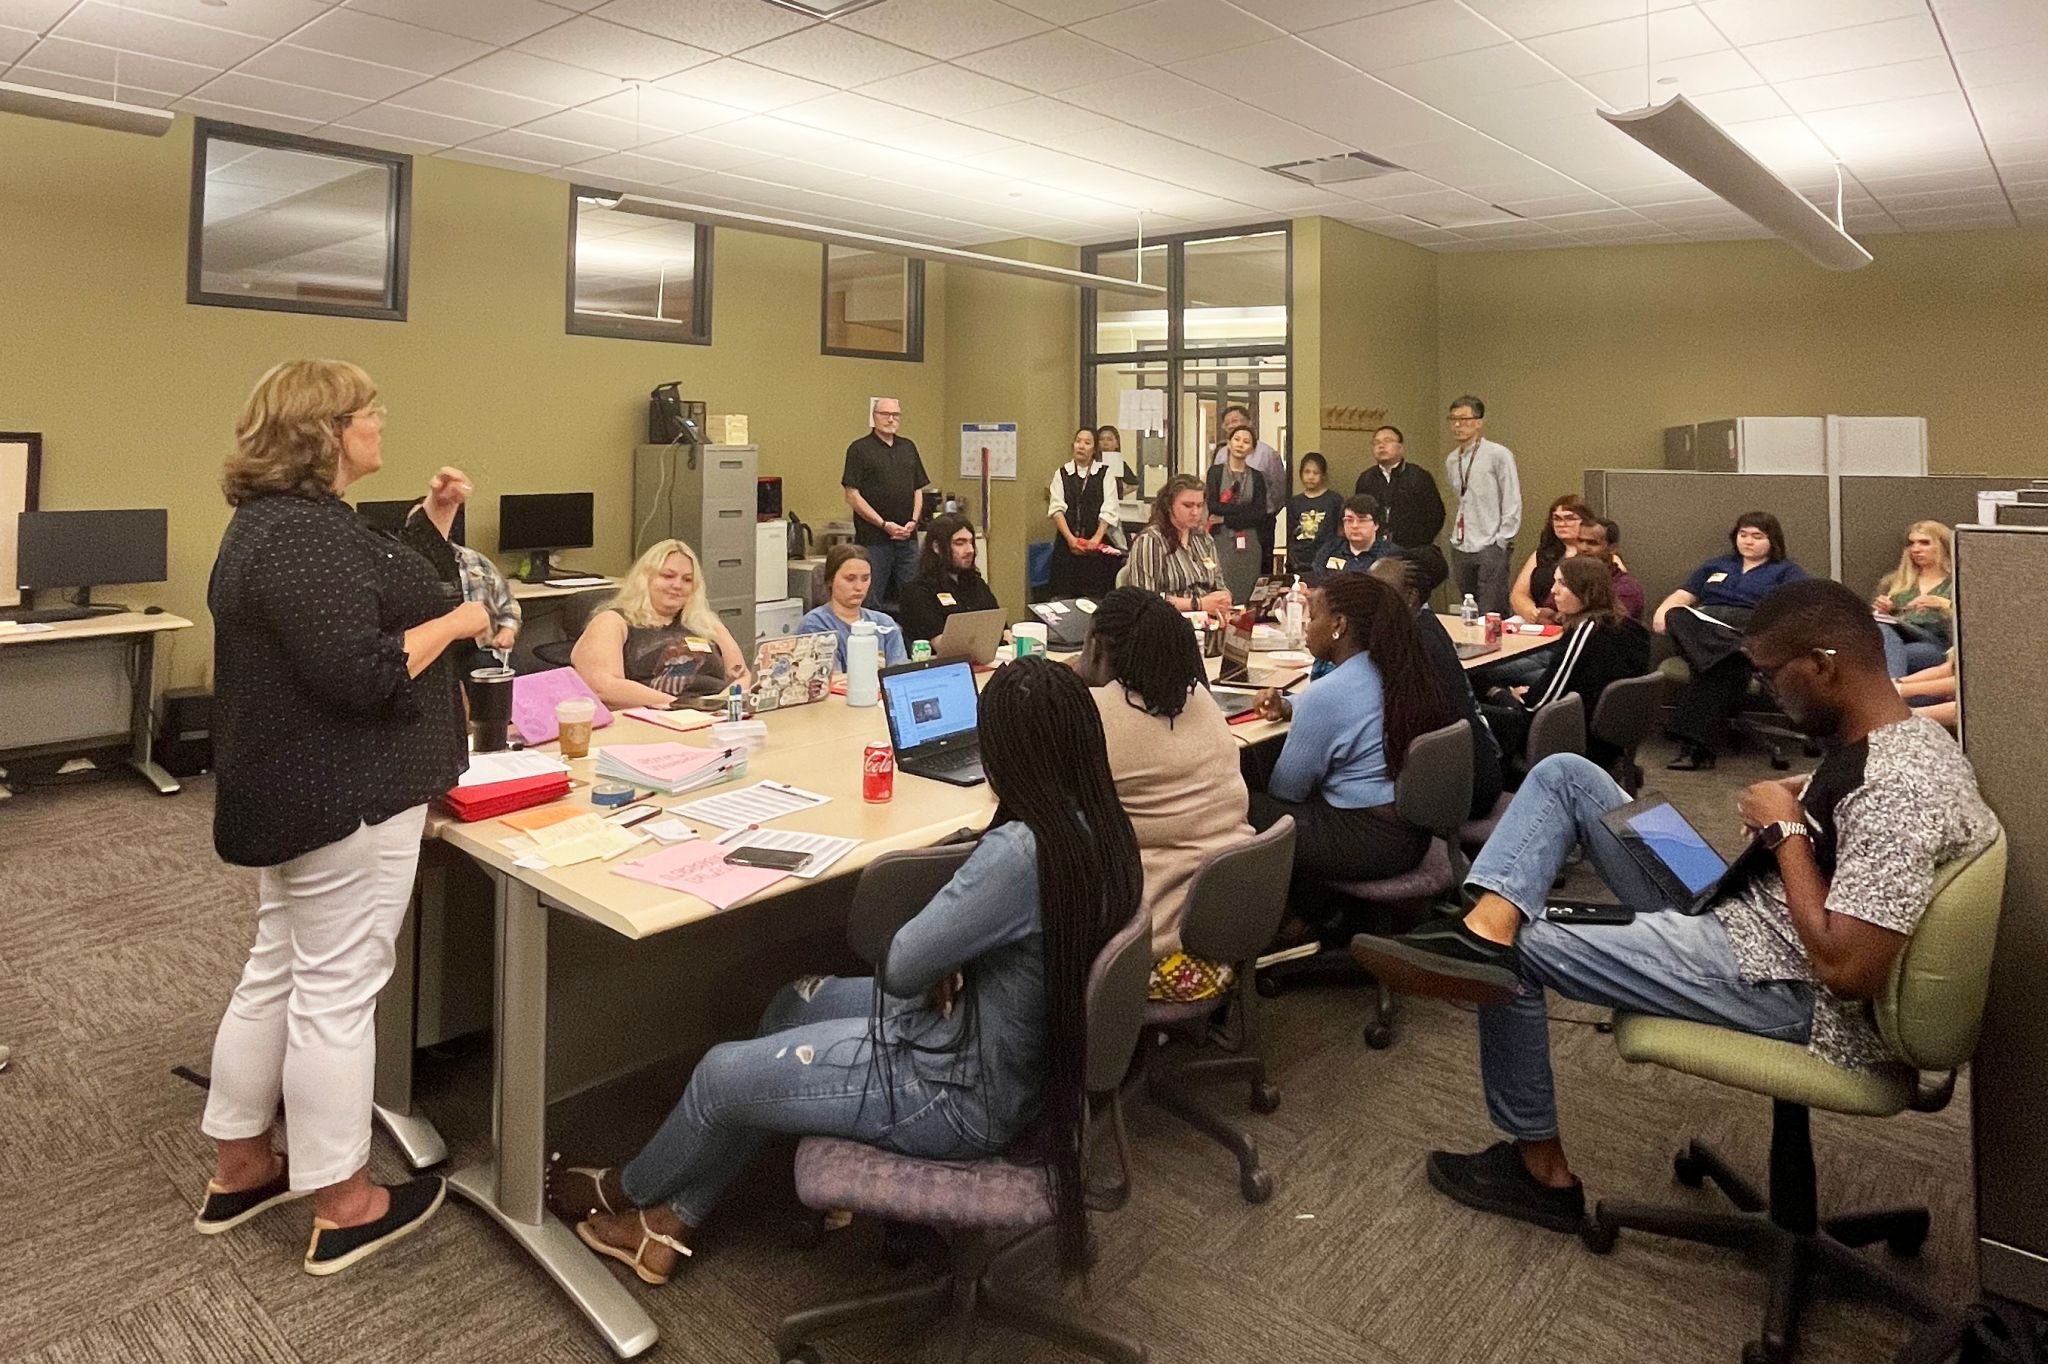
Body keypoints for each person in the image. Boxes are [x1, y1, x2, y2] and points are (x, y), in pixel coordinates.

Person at [1350, 579, 1999, 1234]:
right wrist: (1803, 797)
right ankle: (1483, 928)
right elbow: (1857, 828)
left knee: (1514, 954)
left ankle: (1539, 1172)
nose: (1766, 691)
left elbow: (1848, 971)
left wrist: (1787, 830)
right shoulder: (1902, 737)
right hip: (1739, 903)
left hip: (1778, 975)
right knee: (1567, 775)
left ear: (1823, 665)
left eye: (1772, 675)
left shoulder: (1895, 789)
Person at [541, 657, 1141, 1282]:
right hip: (1008, 1062)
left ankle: (627, 1190)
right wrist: (961, 949)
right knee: (791, 1005)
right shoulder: (1098, 825)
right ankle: (670, 1222)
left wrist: (945, 949)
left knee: (719, 1075)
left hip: (960, 1094)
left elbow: (903, 967)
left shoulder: (1020, 851)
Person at [199, 360, 484, 1273]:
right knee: (337, 994)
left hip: (299, 791)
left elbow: (380, 591)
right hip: (346, 795)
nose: (381, 421)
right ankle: (346, 1202)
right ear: (326, 432)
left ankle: (242, 1166)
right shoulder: (305, 537)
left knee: (279, 971)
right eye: (369, 411)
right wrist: (460, 624)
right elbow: (364, 668)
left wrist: (433, 524)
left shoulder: (289, 525)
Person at [1074, 589, 1255, 1002]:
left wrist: (1072, 679)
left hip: (1159, 946)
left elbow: (1015, 779)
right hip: (1232, 918)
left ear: (1097, 647)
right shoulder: (1199, 698)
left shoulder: (1097, 713)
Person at [1242, 574, 1455, 907]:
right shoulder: (1394, 667)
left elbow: (1287, 793)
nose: (1307, 627)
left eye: (1313, 617)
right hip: (1414, 832)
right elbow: (1349, 705)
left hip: (1367, 843)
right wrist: (1288, 707)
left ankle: (1293, 916)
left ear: (1339, 625)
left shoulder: (1328, 694)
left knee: (1238, 806)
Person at [1654, 511, 1809, 771]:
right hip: (1705, 629)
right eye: (1743, 535)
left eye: (1757, 536)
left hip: (1749, 629)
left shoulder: (1786, 571)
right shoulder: (1717, 565)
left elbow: (1799, 610)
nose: (1748, 541)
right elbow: (1683, 595)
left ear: (1772, 540)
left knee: (1714, 667)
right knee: (1678, 616)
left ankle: (1696, 748)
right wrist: (1664, 612)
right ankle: (1728, 655)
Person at [1481, 556, 1650, 782]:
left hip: (1577, 734)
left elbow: (1542, 700)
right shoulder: (1630, 627)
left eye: (1562, 583)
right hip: (1612, 734)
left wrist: (1515, 697)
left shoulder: (1586, 631)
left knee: (1483, 700)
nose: (1553, 591)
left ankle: (1498, 785)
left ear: (1585, 591)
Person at [1370, 557, 1504, 824]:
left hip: (1458, 791)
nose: (1369, 600)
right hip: (1477, 772)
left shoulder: (1410, 646)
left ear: (1410, 597)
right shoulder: (1427, 625)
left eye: (1379, 592)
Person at [572, 539, 753, 710]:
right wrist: (682, 706)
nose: (677, 585)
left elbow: (742, 676)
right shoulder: (612, 621)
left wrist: (721, 703)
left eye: (687, 580)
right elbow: (604, 687)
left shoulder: (706, 623)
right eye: (668, 576)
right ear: (645, 579)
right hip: (656, 715)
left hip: (715, 713)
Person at [840, 397, 929, 610]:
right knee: (870, 600)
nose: (890, 419)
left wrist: (913, 521)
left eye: (895, 415)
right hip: (874, 540)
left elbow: (917, 489)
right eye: (885, 414)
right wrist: (883, 524)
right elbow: (852, 495)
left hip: (907, 539)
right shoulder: (859, 449)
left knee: (915, 599)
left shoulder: (908, 447)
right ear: (874, 417)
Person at [1445, 395, 1521, 616]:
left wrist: (1502, 539)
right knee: (1469, 609)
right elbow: (1461, 499)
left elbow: (1511, 498)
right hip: (1462, 544)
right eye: (1453, 419)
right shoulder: (1452, 459)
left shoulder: (1498, 455)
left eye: (1464, 419)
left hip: (1491, 542)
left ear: (1479, 422)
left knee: (1491, 610)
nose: (1458, 425)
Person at [1126, 475, 1232, 618]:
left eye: (1199, 505)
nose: (1195, 512)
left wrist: (1224, 598)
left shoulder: (1204, 539)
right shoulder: (1150, 541)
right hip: (1168, 621)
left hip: (1209, 620)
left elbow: (1218, 584)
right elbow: (1145, 600)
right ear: (1169, 506)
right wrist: (1197, 604)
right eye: (1187, 506)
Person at [896, 512, 1000, 647]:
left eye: (971, 542)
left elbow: (1002, 628)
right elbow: (942, 645)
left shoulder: (977, 584)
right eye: (960, 543)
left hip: (988, 655)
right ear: (937, 547)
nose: (970, 550)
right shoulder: (917, 591)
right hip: (941, 659)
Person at [798, 543, 908, 670]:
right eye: (850, 579)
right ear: (831, 580)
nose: (859, 587)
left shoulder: (885, 624)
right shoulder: (815, 624)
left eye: (865, 579)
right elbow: (832, 678)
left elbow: (900, 673)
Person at [1046, 426, 1121, 599]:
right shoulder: (1062, 473)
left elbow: (1109, 508)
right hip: (1066, 545)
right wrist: (1070, 539)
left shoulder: (1104, 473)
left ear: (1094, 449)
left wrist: (1096, 539)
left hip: (1096, 546)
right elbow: (1057, 509)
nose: (1081, 446)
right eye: (1078, 441)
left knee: (1095, 597)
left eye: (1087, 443)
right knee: (1064, 597)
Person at [1872, 520, 1953, 679]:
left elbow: (1973, 627)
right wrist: (1886, 611)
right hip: (1900, 640)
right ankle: (1894, 686)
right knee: (1888, 636)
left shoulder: (1958, 583)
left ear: (1943, 546)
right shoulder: (1894, 582)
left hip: (1937, 642)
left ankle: (1889, 689)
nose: (1916, 549)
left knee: (1883, 654)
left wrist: (1944, 605)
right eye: (1911, 544)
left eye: (1924, 543)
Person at [1208, 403, 1284, 563]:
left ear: (1249, 422)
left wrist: (1255, 514)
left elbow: (1278, 490)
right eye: (1228, 423)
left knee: (1259, 566)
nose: (1232, 425)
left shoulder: (1267, 455)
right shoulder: (1219, 459)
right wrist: (1245, 510)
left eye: (1236, 420)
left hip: (1259, 525)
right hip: (1221, 531)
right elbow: (1213, 504)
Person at [1356, 424, 1445, 553]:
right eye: (1376, 443)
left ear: (1400, 447)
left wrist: (1420, 543)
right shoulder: (1366, 479)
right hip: (1374, 550)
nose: (1381, 446)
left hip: (1412, 550)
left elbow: (1436, 514)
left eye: (1387, 441)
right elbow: (1359, 515)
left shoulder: (1419, 476)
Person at [1207, 426, 1270, 602]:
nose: (1240, 444)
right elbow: (1213, 506)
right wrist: (1244, 509)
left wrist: (1225, 518)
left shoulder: (1257, 477)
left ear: (1252, 449)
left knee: (1247, 586)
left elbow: (1259, 513)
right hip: (1220, 539)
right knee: (1221, 582)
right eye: (1236, 439)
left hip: (1249, 540)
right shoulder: (1215, 472)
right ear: (1229, 443)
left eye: (1246, 441)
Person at [1508, 495, 1591, 622]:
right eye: (1557, 519)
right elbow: (1518, 594)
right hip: (1539, 621)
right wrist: (1531, 612)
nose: (1562, 524)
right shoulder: (1542, 554)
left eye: (1569, 518)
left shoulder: (1599, 555)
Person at [1566, 517, 1644, 623]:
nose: (1583, 548)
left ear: (1612, 548)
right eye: (1580, 541)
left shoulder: (1626, 589)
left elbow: (1605, 625)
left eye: (1592, 543)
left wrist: (1563, 616)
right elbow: (1546, 612)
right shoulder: (1568, 578)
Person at [1311, 493, 1397, 583]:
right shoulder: (1330, 549)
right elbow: (1316, 579)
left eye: (1362, 520)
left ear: (1376, 525)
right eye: (1349, 520)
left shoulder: (1391, 555)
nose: (1354, 526)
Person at [1286, 451, 1343, 575]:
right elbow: (1290, 533)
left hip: (1326, 557)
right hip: (1299, 560)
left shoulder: (1334, 500)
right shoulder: (1294, 502)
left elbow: (1339, 531)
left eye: (1315, 473)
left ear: (1323, 475)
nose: (1311, 477)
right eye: (1307, 472)